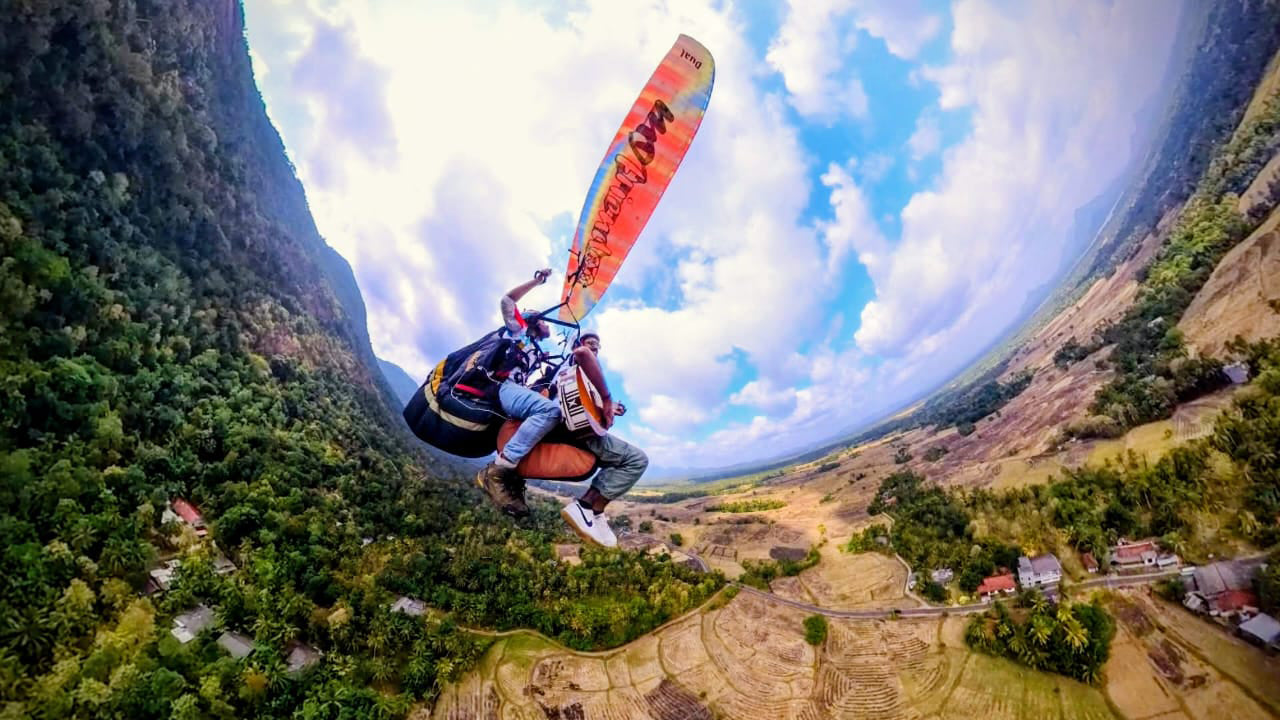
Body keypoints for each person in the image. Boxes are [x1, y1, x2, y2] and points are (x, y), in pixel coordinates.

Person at [474, 269, 561, 519]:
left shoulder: (534, 349)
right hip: (504, 387)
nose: (547, 325)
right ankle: (498, 471)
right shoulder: (518, 331)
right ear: (533, 321)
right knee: (548, 411)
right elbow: (507, 301)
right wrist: (537, 281)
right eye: (544, 321)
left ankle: (513, 482)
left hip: (516, 389)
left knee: (546, 421)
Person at [554, 332, 649, 548]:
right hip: (576, 429)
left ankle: (595, 514)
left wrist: (610, 408)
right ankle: (586, 507)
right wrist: (606, 400)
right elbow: (581, 354)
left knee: (619, 460)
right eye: (590, 345)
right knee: (637, 460)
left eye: (597, 347)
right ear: (579, 345)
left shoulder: (582, 377)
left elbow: (586, 404)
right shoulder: (575, 362)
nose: (593, 350)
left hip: (580, 426)